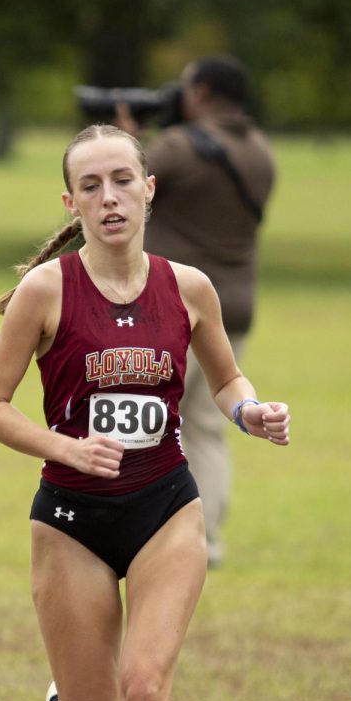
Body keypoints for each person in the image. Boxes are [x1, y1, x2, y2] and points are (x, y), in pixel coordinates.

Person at [0, 124, 289, 701]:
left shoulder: (190, 287)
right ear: (72, 204)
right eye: (90, 186)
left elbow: (226, 378)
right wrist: (63, 448)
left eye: (121, 182)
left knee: (143, 696)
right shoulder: (45, 290)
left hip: (165, 506)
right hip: (71, 518)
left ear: (148, 190)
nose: (109, 198)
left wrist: (249, 410)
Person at [118, 55, 276, 567]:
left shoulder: (178, 149)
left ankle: (141, 530)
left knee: (144, 419)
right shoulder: (260, 152)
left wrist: (127, 136)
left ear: (201, 93)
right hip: (236, 306)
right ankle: (204, 543)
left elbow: (120, 187)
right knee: (206, 426)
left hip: (174, 307)